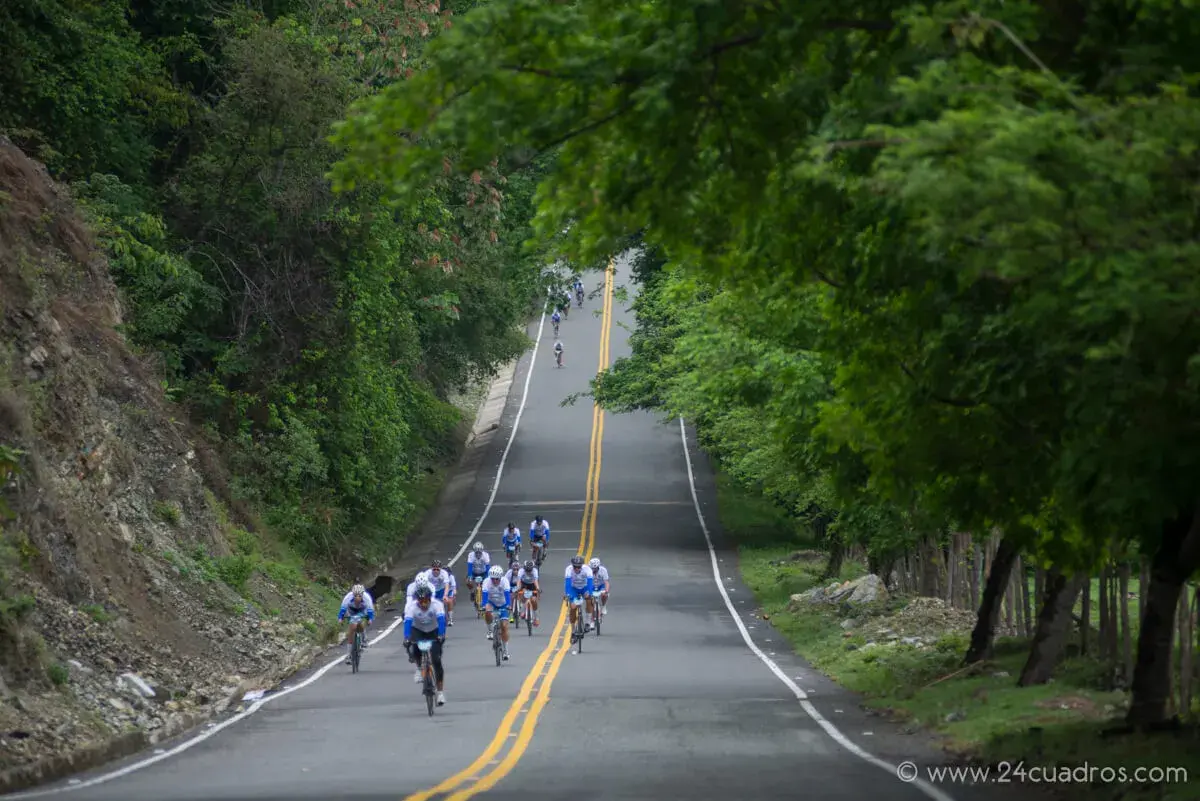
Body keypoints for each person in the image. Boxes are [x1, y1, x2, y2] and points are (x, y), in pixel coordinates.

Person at [404, 584, 447, 706]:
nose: (423, 604)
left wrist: (441, 635)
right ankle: (419, 668)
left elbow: (441, 621)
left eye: (426, 601)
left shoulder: (437, 605)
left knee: (436, 660)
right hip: (418, 630)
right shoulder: (412, 607)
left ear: (429, 599)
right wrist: (406, 638)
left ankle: (440, 693)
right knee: (414, 647)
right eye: (421, 601)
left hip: (433, 631)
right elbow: (407, 623)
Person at [338, 583, 375, 665]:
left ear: (362, 594)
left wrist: (370, 619)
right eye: (355, 595)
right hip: (351, 610)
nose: (357, 596)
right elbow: (343, 609)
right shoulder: (348, 597)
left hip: (362, 609)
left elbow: (370, 610)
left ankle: (364, 638)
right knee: (351, 630)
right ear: (353, 594)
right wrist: (340, 618)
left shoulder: (367, 598)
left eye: (359, 595)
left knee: (360, 621)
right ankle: (348, 655)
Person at [480, 566, 512, 660]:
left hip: (503, 604)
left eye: (497, 579)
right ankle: (490, 631)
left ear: (500, 577)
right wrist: (484, 605)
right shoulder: (486, 581)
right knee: (487, 611)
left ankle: (506, 652)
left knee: (504, 627)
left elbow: (507, 594)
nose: (494, 581)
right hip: (491, 603)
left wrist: (509, 605)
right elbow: (485, 595)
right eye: (492, 579)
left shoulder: (505, 581)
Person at [416, 559, 457, 625]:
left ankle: (450, 619)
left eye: (438, 569)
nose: (436, 571)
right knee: (425, 603)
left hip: (441, 590)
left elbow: (447, 585)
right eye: (434, 569)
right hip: (431, 590)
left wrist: (445, 595)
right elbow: (423, 584)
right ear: (431, 569)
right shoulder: (427, 573)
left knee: (449, 601)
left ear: (440, 569)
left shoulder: (444, 573)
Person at [563, 555, 595, 632]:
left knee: (589, 600)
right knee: (573, 607)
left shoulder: (587, 569)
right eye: (575, 567)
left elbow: (590, 582)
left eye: (579, 567)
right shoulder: (569, 569)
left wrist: (589, 593)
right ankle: (573, 630)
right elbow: (567, 583)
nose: (577, 569)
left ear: (582, 565)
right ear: (572, 566)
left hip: (585, 587)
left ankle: (587, 622)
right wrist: (567, 594)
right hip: (574, 589)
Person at [466, 542, 491, 608]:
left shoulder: (486, 555)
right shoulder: (471, 555)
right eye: (476, 552)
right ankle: (472, 592)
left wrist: (488, 576)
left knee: (487, 584)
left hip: (483, 572)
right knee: (468, 581)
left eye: (479, 552)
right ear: (474, 552)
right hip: (474, 572)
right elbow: (469, 566)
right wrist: (470, 576)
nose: (478, 554)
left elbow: (488, 566)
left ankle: (485, 598)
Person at [516, 559, 541, 626]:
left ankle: (536, 618)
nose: (528, 571)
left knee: (533, 600)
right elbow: (518, 581)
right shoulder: (521, 571)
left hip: (532, 585)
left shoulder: (535, 571)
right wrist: (518, 588)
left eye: (530, 570)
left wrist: (538, 588)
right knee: (524, 596)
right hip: (524, 584)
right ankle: (523, 611)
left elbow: (536, 581)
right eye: (527, 570)